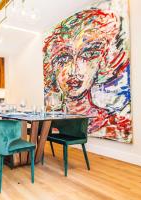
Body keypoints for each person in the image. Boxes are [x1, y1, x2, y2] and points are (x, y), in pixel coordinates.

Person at [43, 8, 131, 142]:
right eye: (63, 58)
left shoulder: (116, 125)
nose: (73, 70)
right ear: (52, 67)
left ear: (103, 61)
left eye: (88, 54)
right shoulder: (52, 119)